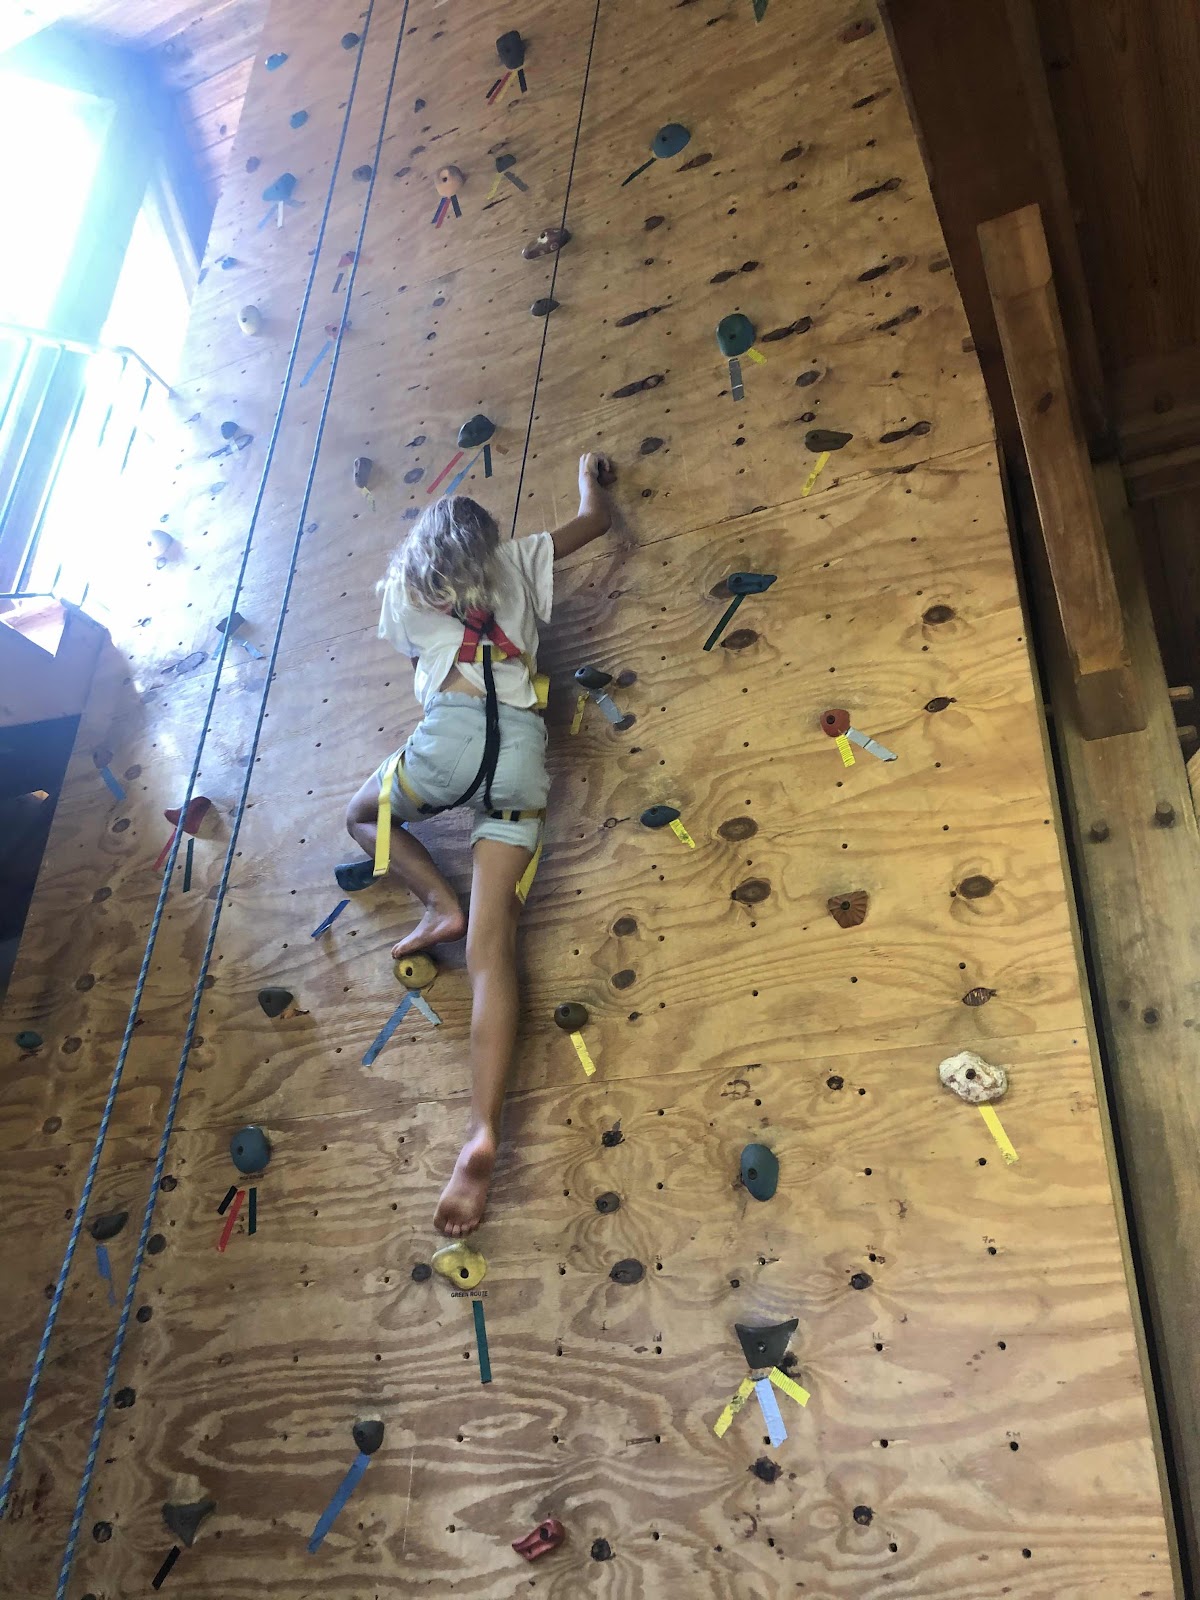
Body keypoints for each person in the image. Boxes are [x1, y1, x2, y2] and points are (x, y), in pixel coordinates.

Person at [344, 451, 618, 1236]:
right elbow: (595, 521)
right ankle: (481, 1131)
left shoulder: (406, 589)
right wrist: (589, 480)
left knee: (364, 817)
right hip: (523, 754)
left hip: (448, 743)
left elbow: (409, 649)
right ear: (490, 540)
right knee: (493, 954)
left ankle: (437, 902)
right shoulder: (521, 558)